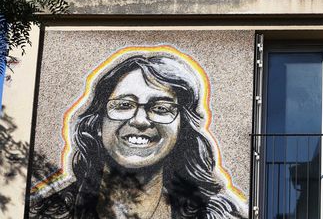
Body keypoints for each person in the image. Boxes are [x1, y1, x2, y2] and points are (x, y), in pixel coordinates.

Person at [29, 53, 246, 219]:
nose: (140, 120)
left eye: (161, 108)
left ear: (182, 129)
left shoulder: (214, 214)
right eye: (124, 105)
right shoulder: (51, 212)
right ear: (97, 123)